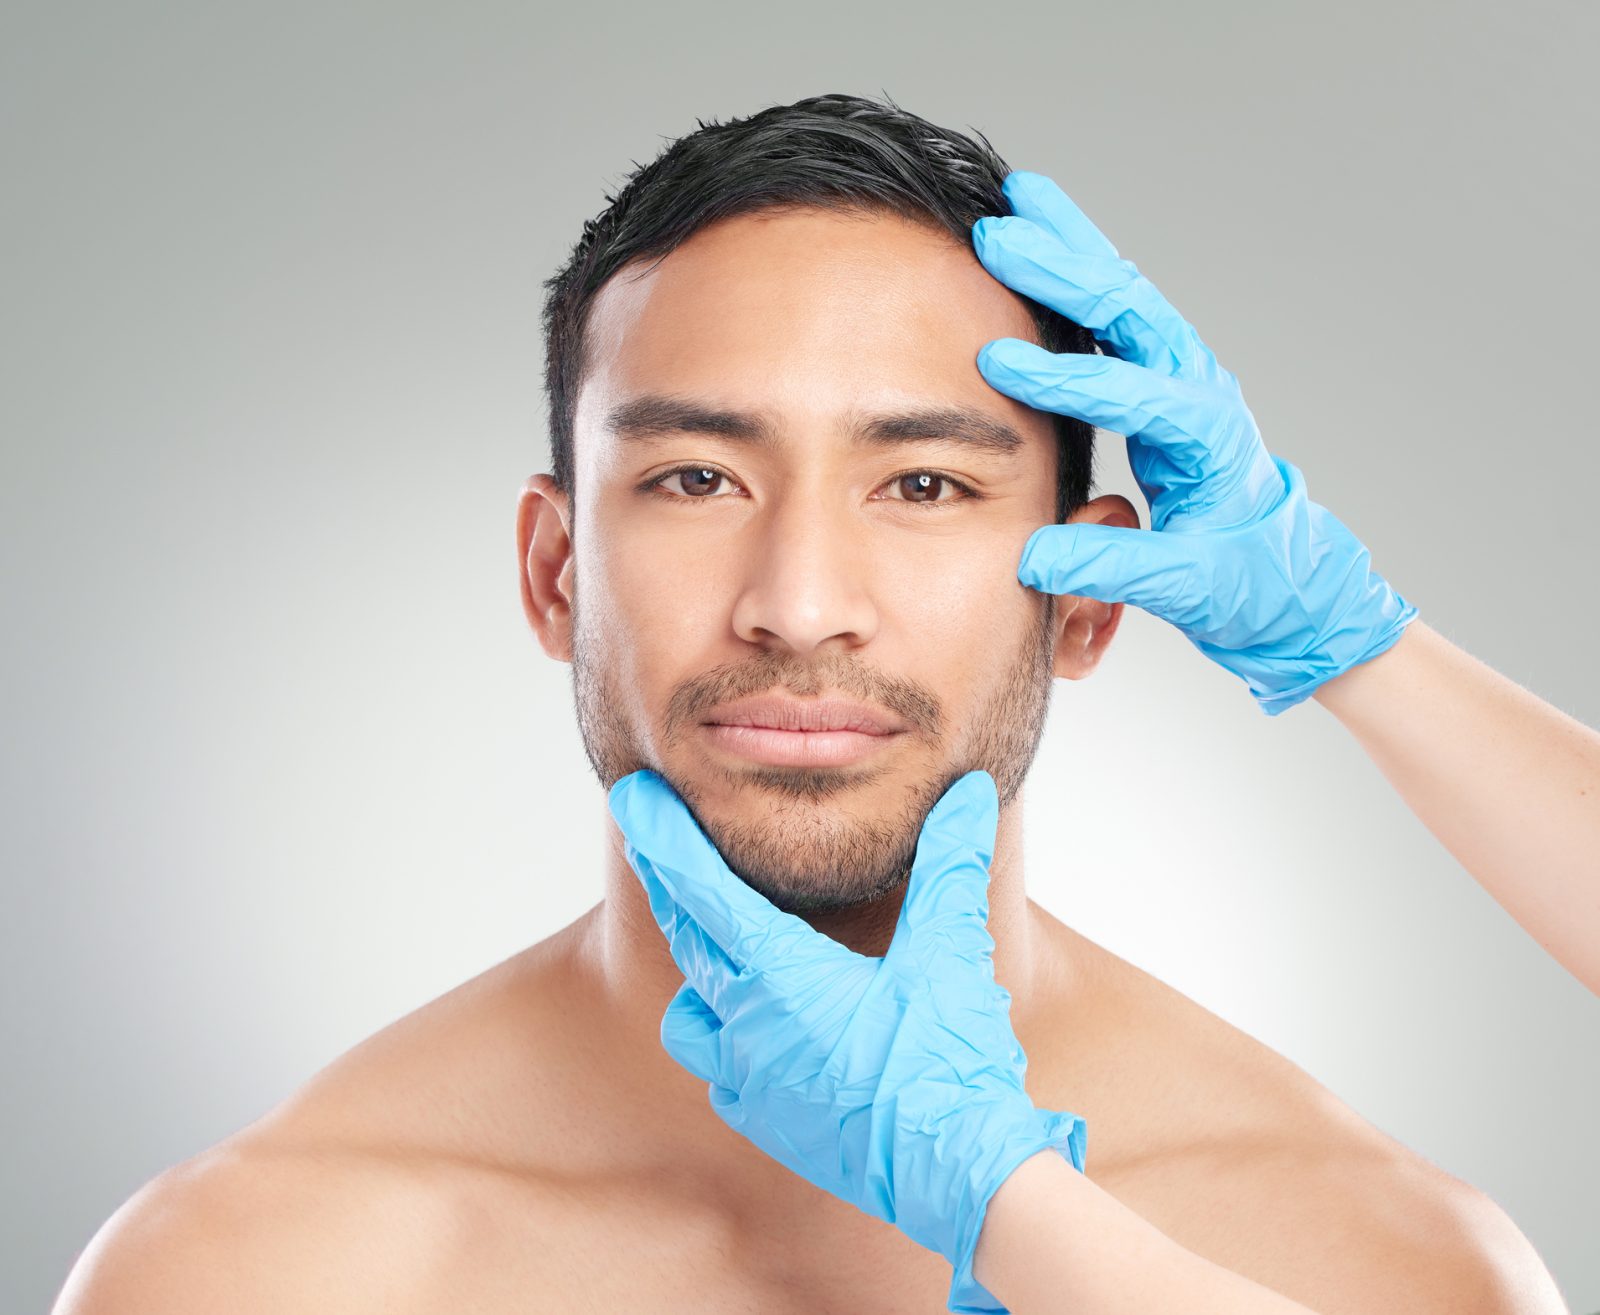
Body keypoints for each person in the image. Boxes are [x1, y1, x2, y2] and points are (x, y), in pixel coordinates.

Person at [52, 93, 1585, 1314]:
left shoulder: (1387, 1268)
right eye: (697, 477)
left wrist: (1011, 1209)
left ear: (1099, 597)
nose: (797, 598)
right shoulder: (256, 1275)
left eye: (922, 482)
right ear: (553, 574)